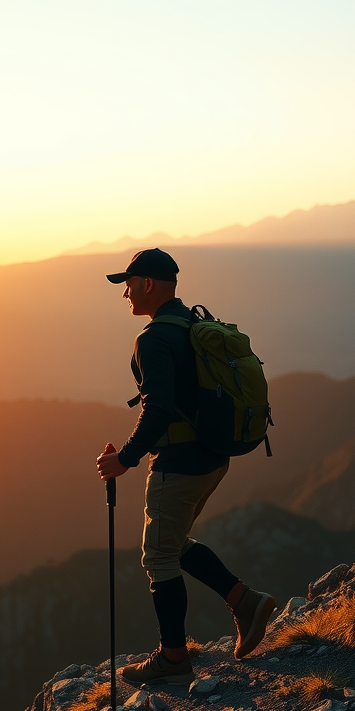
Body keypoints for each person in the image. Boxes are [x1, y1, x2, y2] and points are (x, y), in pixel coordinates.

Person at [95, 248, 276, 685]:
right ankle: (244, 601)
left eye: (129, 283)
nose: (125, 293)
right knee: (173, 543)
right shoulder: (195, 324)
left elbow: (156, 409)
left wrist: (125, 459)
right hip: (213, 459)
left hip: (177, 465)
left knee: (158, 555)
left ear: (149, 284)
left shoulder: (153, 338)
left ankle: (173, 659)